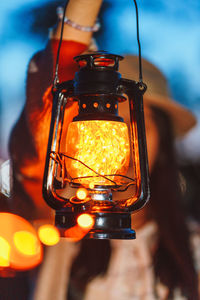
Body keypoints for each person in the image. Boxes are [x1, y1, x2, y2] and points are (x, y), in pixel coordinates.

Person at [8, 0, 199, 299]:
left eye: (141, 125)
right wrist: (74, 27)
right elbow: (31, 149)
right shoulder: (60, 228)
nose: (126, 142)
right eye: (114, 122)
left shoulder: (193, 248)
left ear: (164, 142)